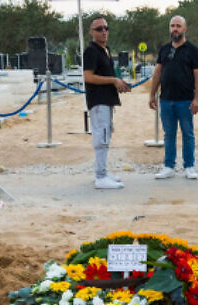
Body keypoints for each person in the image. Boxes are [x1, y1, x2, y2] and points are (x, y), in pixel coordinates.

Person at [149, 16, 198, 180]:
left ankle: (189, 166)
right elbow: (157, 73)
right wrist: (152, 94)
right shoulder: (164, 50)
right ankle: (168, 166)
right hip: (166, 100)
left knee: (188, 134)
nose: (175, 29)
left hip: (186, 101)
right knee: (169, 134)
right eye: (172, 26)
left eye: (178, 26)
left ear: (185, 29)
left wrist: (197, 99)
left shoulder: (193, 51)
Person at [83, 17, 130, 190]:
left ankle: (102, 171)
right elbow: (88, 76)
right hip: (98, 100)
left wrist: (118, 83)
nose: (103, 31)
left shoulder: (106, 50)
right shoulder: (91, 51)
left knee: (106, 134)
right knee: (101, 136)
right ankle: (100, 176)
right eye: (99, 28)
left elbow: (108, 75)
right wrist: (112, 80)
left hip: (107, 99)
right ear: (92, 32)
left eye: (106, 28)